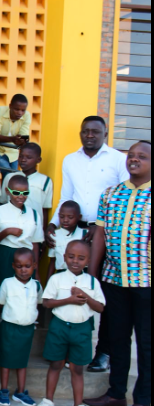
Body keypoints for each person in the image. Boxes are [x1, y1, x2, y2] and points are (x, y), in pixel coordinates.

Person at [49, 116, 128, 378]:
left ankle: (103, 351)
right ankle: (68, 349)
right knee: (73, 286)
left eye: (95, 131)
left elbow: (124, 197)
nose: (90, 135)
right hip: (77, 232)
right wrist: (53, 223)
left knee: (104, 291)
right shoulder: (71, 160)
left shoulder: (117, 159)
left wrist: (102, 225)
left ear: (105, 133)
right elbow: (66, 196)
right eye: (86, 131)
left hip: (107, 233)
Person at [84, 141, 151, 406]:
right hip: (114, 279)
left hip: (147, 282)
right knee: (117, 338)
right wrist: (93, 274)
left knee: (146, 343)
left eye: (142, 157)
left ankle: (144, 400)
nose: (134, 159)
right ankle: (116, 394)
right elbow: (99, 235)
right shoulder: (111, 194)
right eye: (131, 155)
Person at [36, 241, 106, 406]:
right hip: (59, 326)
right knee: (56, 364)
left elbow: (100, 307)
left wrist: (85, 296)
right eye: (71, 256)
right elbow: (47, 303)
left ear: (88, 261)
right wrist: (69, 300)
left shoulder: (92, 282)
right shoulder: (57, 279)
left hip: (82, 329)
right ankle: (48, 401)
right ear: (65, 257)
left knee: (77, 368)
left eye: (81, 258)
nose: (75, 261)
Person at [0, 248, 41, 406]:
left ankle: (20, 392)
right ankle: (3, 390)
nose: (23, 270)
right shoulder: (7, 283)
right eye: (19, 266)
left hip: (27, 329)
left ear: (34, 266)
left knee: (22, 361)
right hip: (9, 327)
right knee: (6, 361)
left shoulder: (36, 286)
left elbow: (39, 303)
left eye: (27, 266)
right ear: (13, 266)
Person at [0, 175, 43, 293]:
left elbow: (35, 244)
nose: (21, 196)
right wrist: (7, 232)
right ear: (7, 191)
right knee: (2, 292)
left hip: (27, 257)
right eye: (16, 193)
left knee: (24, 292)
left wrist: (37, 270)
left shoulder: (34, 214)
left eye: (25, 193)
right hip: (5, 255)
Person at [0, 143, 53, 227]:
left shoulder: (45, 181)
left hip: (33, 226)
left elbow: (45, 209)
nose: (23, 160)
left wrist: (44, 230)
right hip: (10, 224)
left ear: (38, 160)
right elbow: (2, 202)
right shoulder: (9, 177)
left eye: (28, 157)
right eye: (21, 156)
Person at [0, 95, 32, 172]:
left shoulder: (27, 116)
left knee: (12, 176)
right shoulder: (0, 111)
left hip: (13, 154)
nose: (20, 113)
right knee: (10, 174)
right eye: (17, 109)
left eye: (23, 110)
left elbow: (23, 135)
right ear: (10, 106)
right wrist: (12, 139)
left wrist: (22, 141)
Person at [46, 201, 87, 279]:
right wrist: (48, 281)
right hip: (61, 275)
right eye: (62, 217)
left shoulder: (85, 234)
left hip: (81, 276)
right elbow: (52, 261)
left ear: (79, 217)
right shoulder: (54, 235)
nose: (65, 220)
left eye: (70, 217)